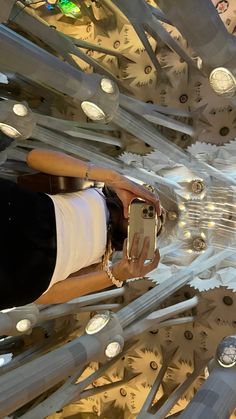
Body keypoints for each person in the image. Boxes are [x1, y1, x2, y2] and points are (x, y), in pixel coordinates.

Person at [0, 149, 161, 309]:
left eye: (154, 229)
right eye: (153, 212)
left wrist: (117, 274)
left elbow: (46, 295)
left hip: (19, 273)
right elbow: (34, 157)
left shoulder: (103, 261)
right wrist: (113, 178)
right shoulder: (95, 187)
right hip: (19, 214)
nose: (154, 221)